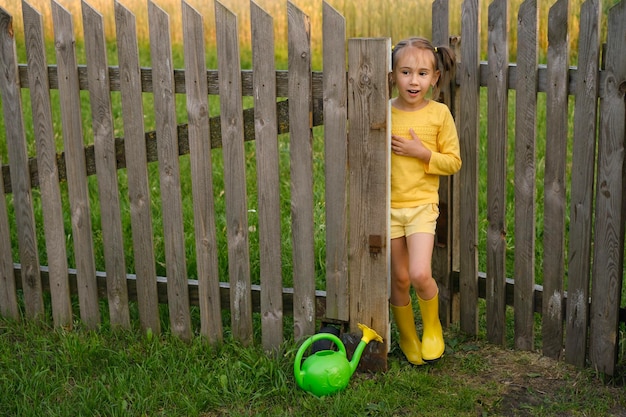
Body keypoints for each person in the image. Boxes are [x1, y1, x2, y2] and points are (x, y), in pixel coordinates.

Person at [389, 37, 461, 365]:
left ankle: (432, 326)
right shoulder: (385, 112)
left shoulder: (439, 115)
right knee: (400, 279)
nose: (413, 80)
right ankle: (407, 335)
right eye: (405, 72)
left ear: (434, 78)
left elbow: (453, 162)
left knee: (419, 273)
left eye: (421, 73)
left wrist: (423, 153)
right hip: (388, 209)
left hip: (421, 207)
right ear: (393, 75)